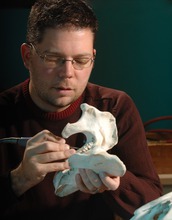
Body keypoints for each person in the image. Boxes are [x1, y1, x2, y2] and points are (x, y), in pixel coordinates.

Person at [0, 0, 163, 219]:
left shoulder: (114, 107)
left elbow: (154, 204)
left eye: (81, 60)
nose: (67, 73)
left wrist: (115, 184)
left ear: (93, 59)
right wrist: (19, 179)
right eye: (53, 58)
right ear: (28, 57)